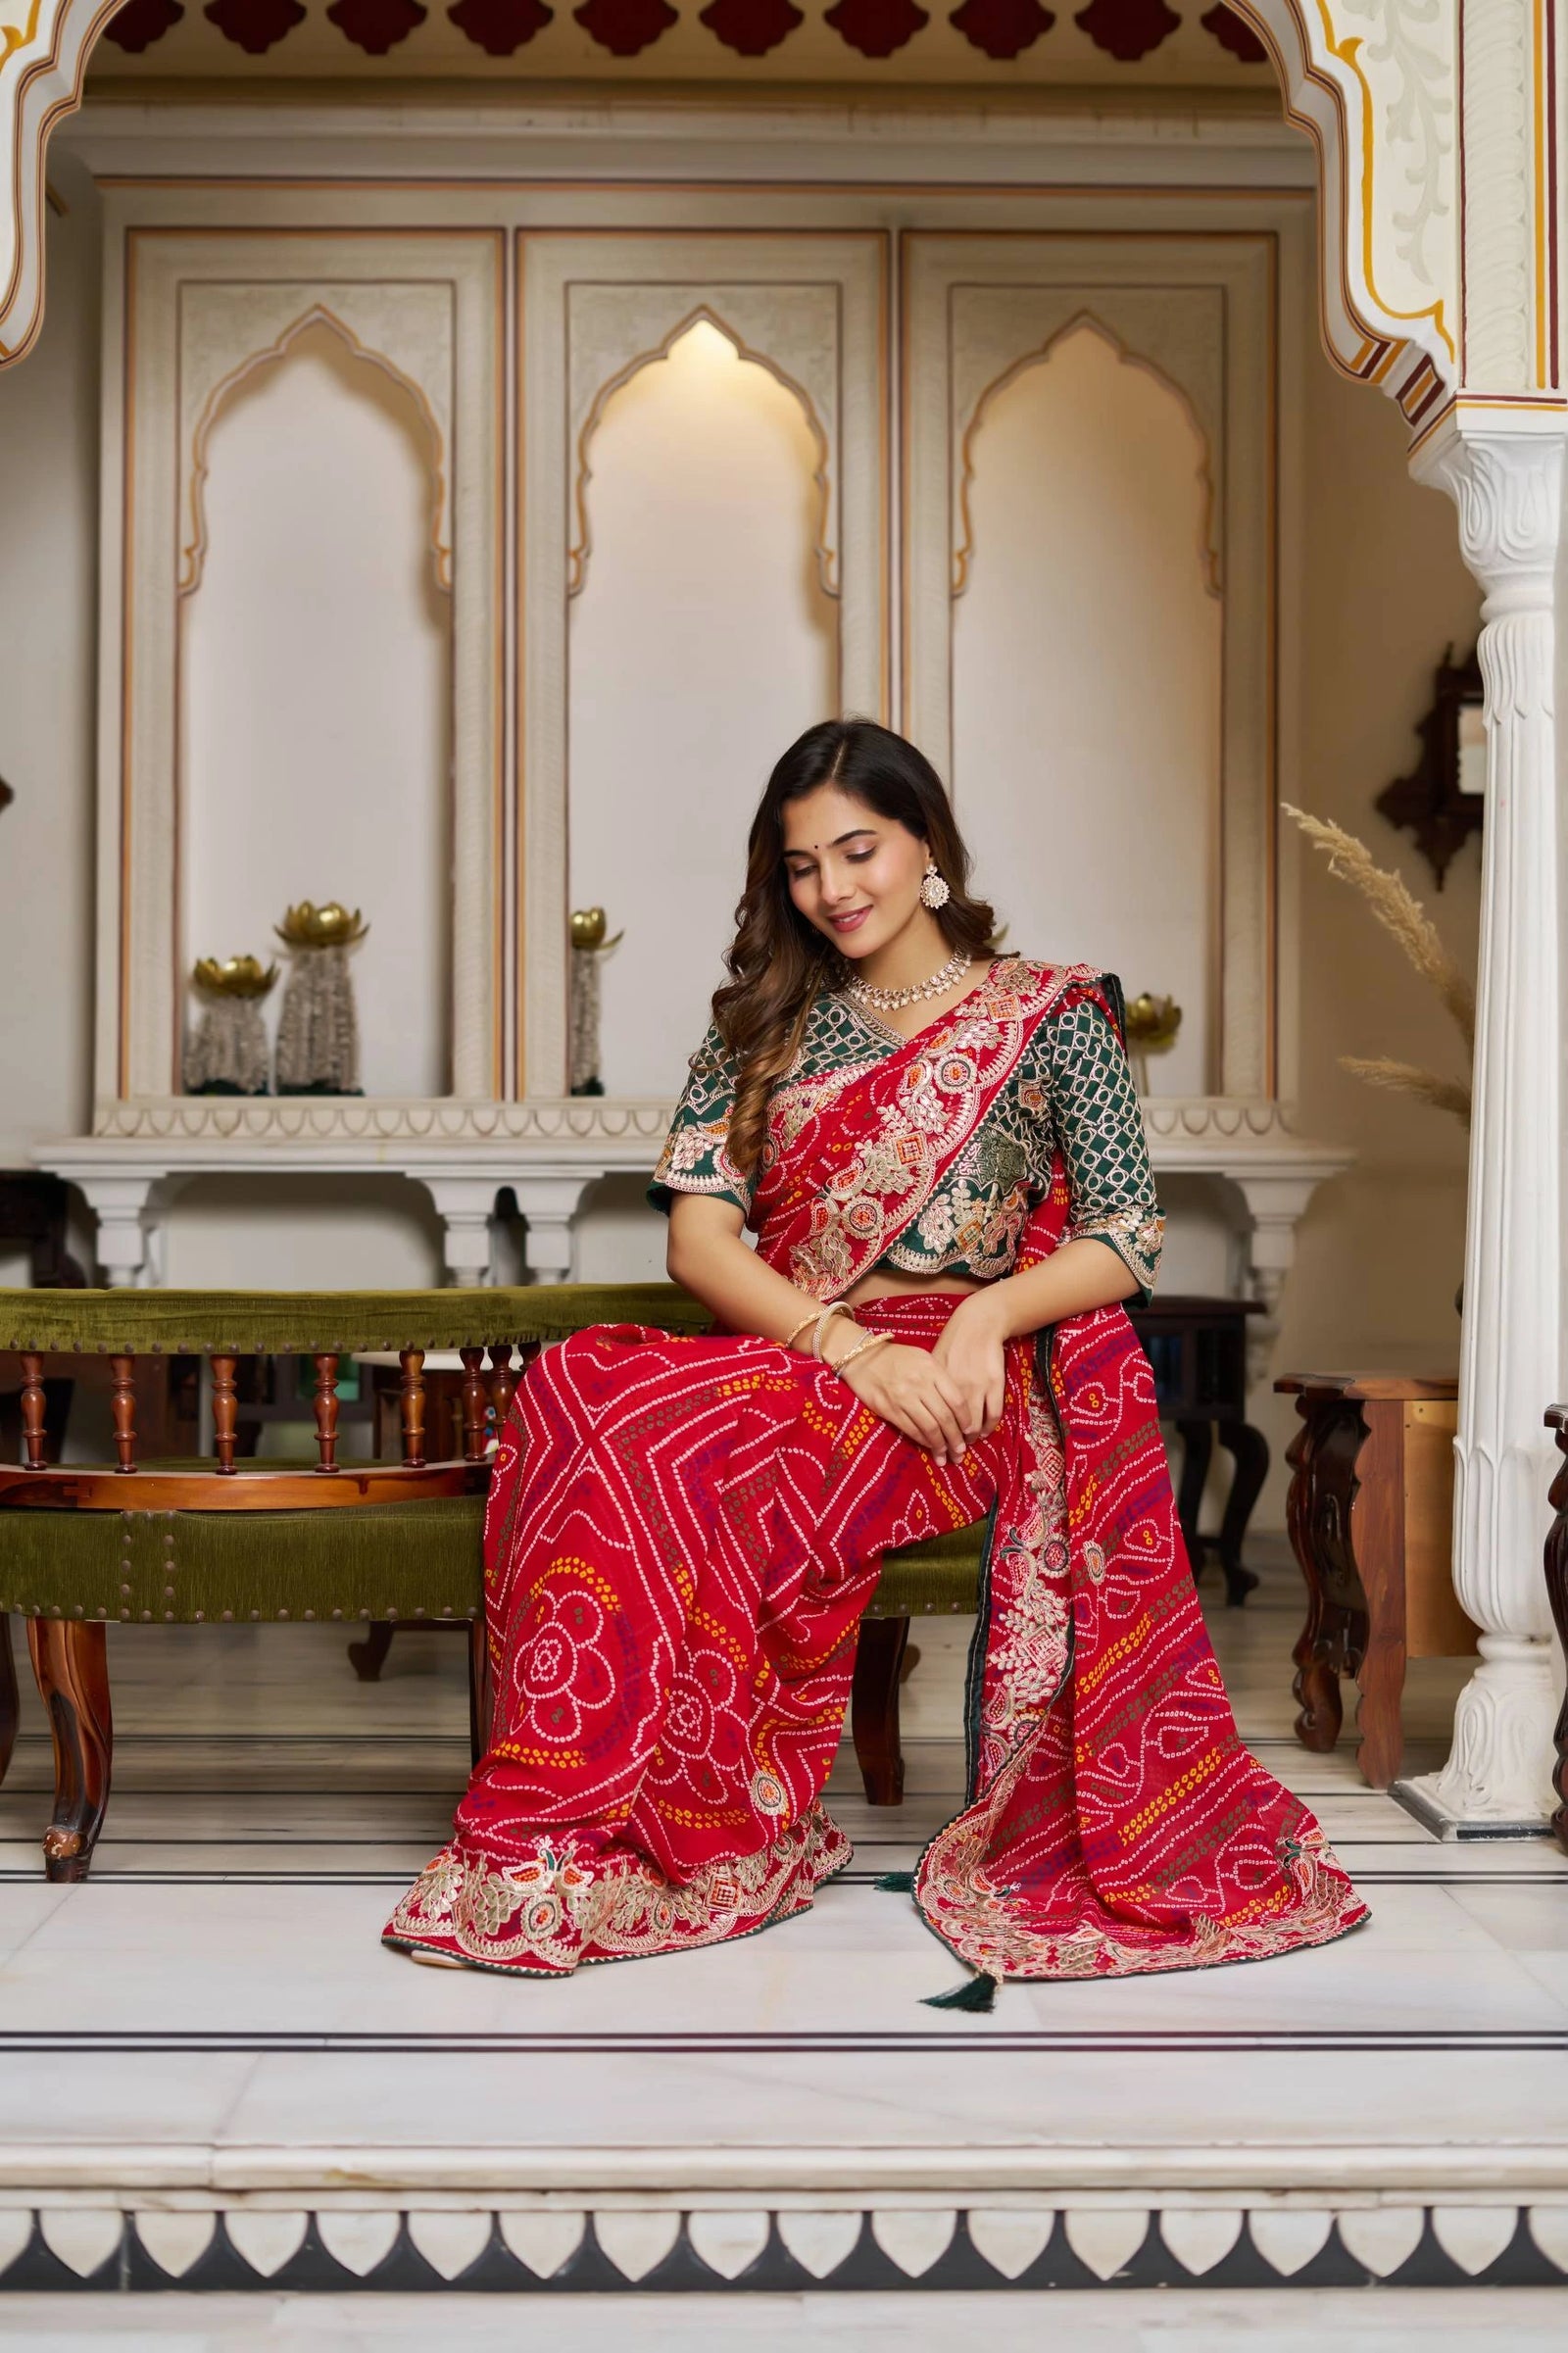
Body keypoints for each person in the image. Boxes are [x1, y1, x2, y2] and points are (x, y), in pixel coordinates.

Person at [385, 717, 1365, 1990]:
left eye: (859, 850)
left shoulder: (1054, 1013)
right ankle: (604, 1820)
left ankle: (643, 1822)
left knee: (657, 1424)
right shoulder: (762, 1020)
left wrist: (975, 1318)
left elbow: (1129, 1237)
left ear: (927, 845)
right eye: (802, 866)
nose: (834, 888)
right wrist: (849, 1345)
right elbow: (699, 1241)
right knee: (585, 1383)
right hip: (811, 1351)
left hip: (966, 1380)